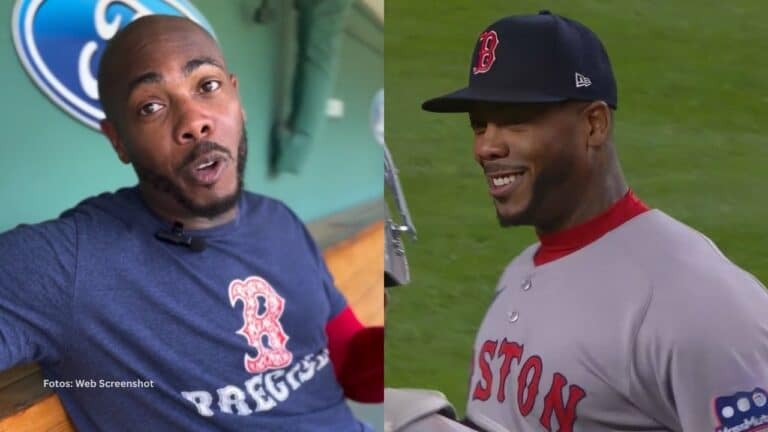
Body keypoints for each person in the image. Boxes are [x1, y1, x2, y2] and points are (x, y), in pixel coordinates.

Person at [0, 15, 381, 431]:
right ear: (118, 141)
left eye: (207, 85)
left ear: (238, 99)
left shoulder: (280, 221)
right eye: (151, 106)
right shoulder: (67, 262)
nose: (194, 121)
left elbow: (343, 359)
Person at [401, 10, 768, 432]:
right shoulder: (522, 270)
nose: (486, 146)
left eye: (515, 121)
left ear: (594, 124)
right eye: (479, 125)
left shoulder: (695, 302)